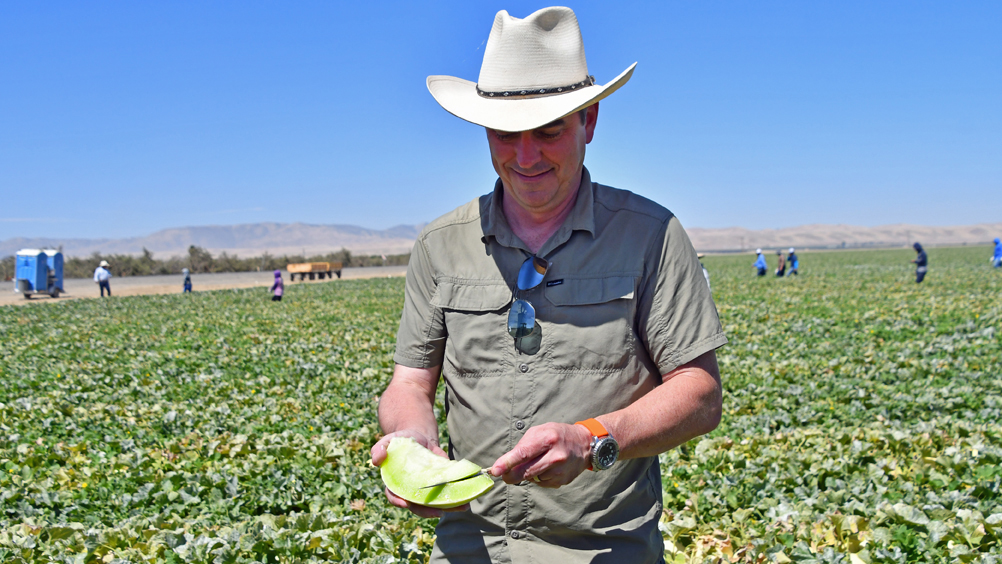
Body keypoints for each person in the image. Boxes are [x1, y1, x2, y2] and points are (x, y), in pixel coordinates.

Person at [369, 7, 726, 563]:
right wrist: (412, 441)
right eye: (506, 134)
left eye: (549, 131)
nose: (526, 156)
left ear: (589, 121)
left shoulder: (651, 235)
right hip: (470, 547)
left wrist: (590, 442)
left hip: (604, 549)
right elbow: (409, 385)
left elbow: (699, 395)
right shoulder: (441, 244)